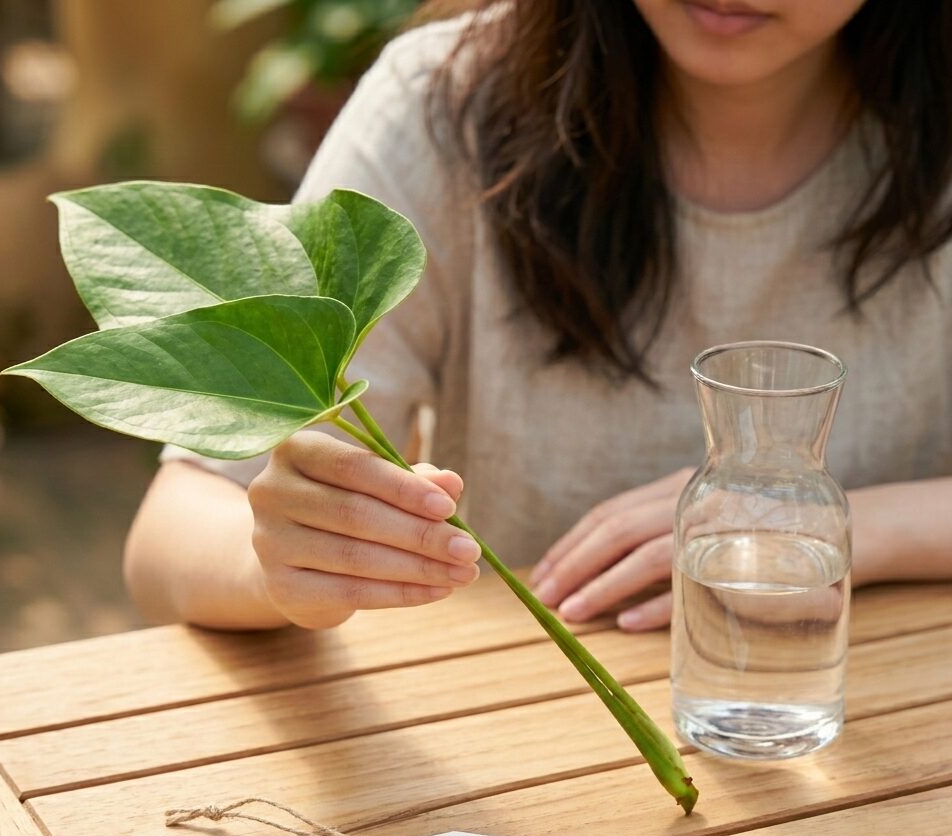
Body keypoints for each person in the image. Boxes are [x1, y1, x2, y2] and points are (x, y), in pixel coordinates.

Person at [125, 0, 952, 632]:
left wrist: (857, 528)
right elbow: (171, 535)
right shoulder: (444, 106)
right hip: (517, 780)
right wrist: (283, 558)